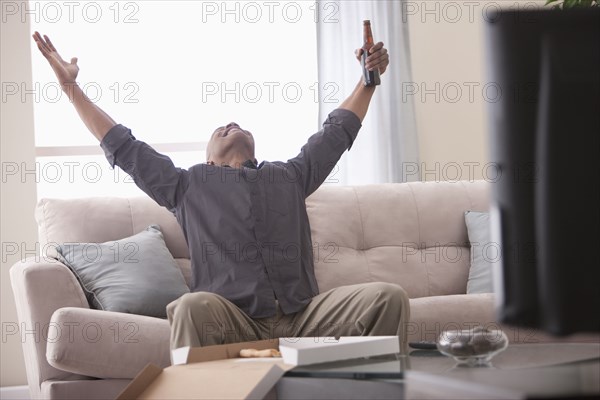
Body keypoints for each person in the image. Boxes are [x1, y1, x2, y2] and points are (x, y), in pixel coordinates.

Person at [32, 31, 410, 354]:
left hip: (304, 317)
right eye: (220, 129)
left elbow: (337, 132)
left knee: (387, 297)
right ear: (208, 162)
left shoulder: (290, 176)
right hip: (234, 321)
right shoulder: (188, 185)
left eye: (237, 124)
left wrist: (367, 80)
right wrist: (70, 87)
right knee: (189, 308)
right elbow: (123, 145)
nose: (230, 123)